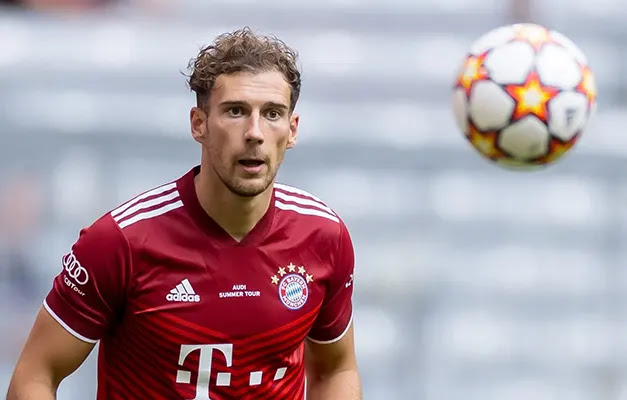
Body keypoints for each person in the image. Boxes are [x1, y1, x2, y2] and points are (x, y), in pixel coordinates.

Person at [7, 27, 361, 400]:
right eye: (236, 111)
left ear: (292, 130)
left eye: (272, 113)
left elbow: (336, 368)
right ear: (199, 124)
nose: (254, 133)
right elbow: (35, 375)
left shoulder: (324, 237)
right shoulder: (121, 241)